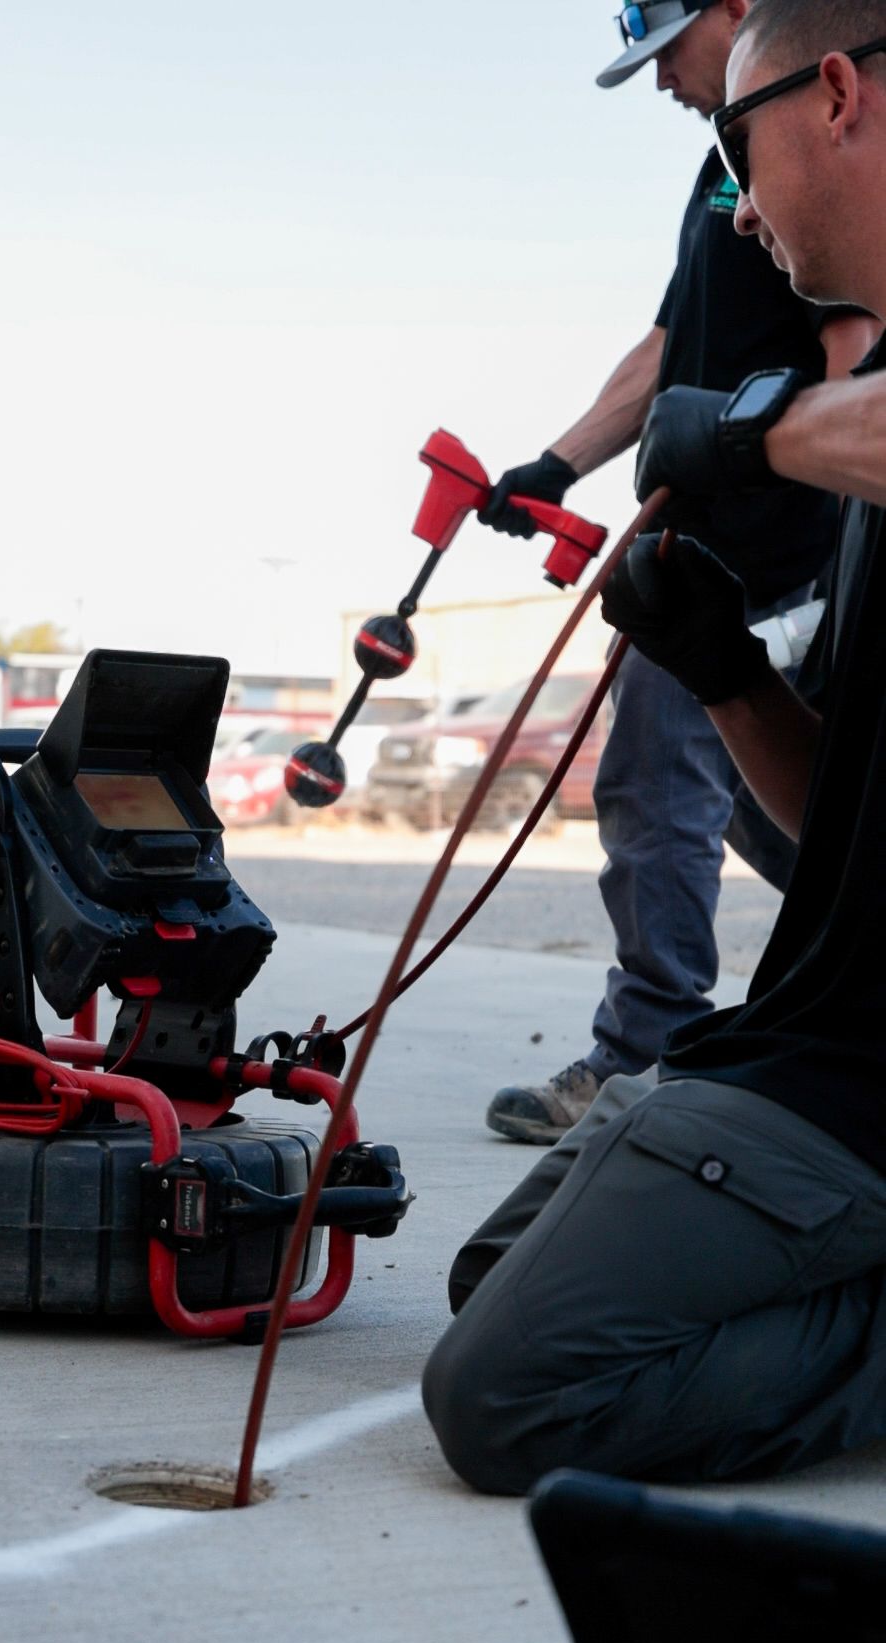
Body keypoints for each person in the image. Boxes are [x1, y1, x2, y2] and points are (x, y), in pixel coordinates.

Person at [423, 0, 886, 1495]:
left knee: (511, 1395)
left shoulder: (852, 436)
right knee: (491, 1288)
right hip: (808, 1042)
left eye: (741, 146)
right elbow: (837, 825)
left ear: (837, 94)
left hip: (857, 1088)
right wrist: (725, 671)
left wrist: (751, 435)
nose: (737, 206)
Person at [480, 0, 875, 1147]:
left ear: (740, 14)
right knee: (792, 818)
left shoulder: (819, 173)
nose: (658, 83)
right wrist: (561, 461)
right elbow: (668, 351)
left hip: (773, 558)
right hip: (700, 548)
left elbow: (858, 352)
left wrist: (832, 525)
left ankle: (641, 1047)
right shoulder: (727, 176)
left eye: (668, 53)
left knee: (659, 794)